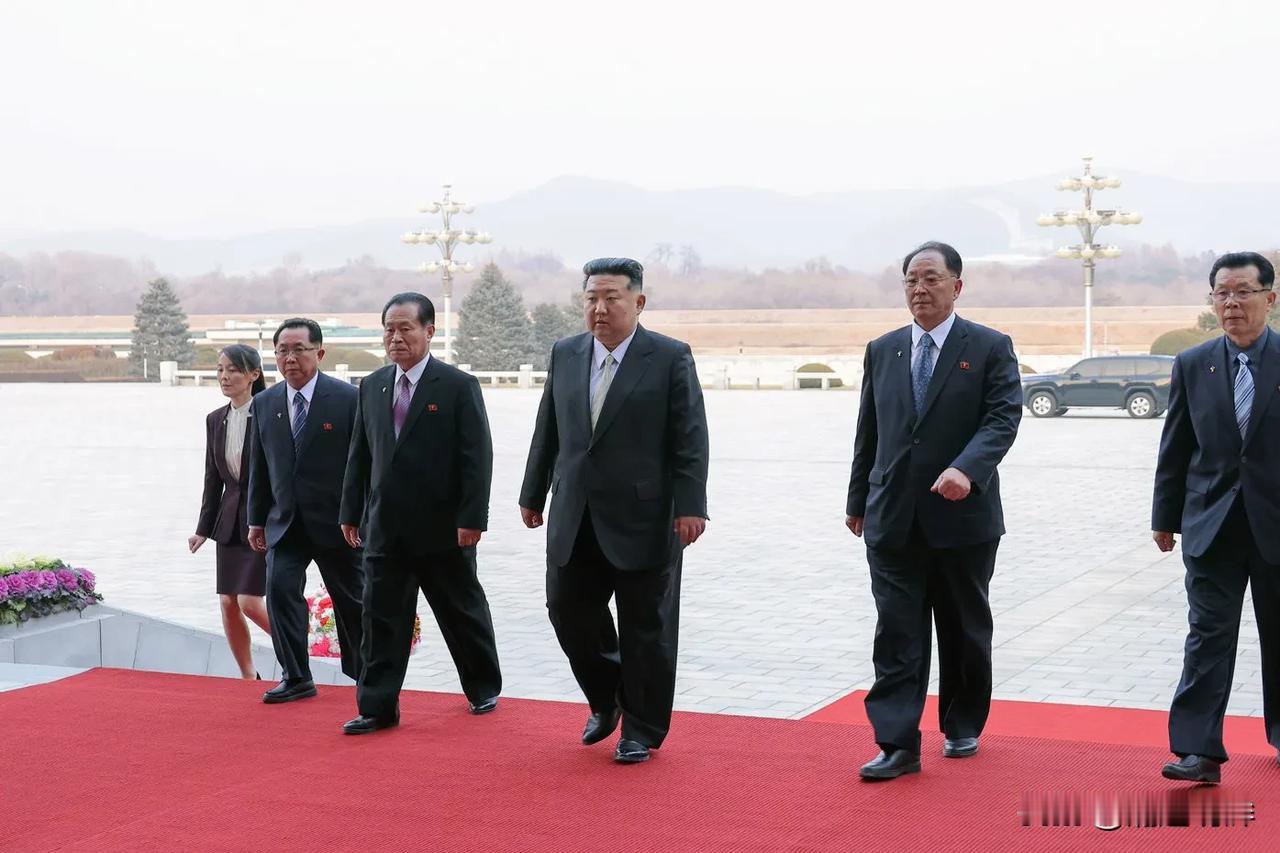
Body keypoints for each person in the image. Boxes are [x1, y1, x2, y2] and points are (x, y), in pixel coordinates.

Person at [519, 257, 710, 764]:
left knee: (646, 625)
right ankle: (607, 699)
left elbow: (689, 438)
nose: (599, 309)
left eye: (612, 298)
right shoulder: (566, 352)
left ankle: (641, 731)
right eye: (591, 299)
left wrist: (692, 507)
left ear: (638, 302)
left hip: (645, 517)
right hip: (574, 511)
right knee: (566, 609)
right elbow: (549, 429)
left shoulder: (669, 357)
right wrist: (532, 493)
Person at [845, 241, 1022, 780]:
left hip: (963, 518)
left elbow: (1003, 417)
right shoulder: (884, 348)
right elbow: (869, 431)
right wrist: (858, 500)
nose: (920, 290)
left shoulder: (989, 346)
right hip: (892, 514)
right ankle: (896, 743)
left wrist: (967, 469)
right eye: (911, 281)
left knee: (963, 627)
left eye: (931, 280)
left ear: (957, 286)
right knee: (896, 632)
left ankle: (963, 722)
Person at [339, 292, 502, 734]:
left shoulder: (457, 386)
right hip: (384, 529)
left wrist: (473, 518)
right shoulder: (371, 386)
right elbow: (360, 454)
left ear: (429, 331)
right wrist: (350, 511)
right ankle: (377, 707)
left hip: (444, 529)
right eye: (389, 329)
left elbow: (477, 457)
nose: (396, 337)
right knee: (379, 617)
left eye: (405, 328)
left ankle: (483, 686)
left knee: (460, 610)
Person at [1153, 251, 1280, 784]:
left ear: (1269, 298)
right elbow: (1176, 444)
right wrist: (1164, 516)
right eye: (1221, 293)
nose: (1231, 303)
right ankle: (1198, 752)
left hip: (1276, 522)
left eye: (1243, 291)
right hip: (1212, 523)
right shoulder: (1192, 364)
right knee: (1207, 636)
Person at [247, 318, 364, 703]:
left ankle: (365, 675)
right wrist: (256, 519)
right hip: (285, 523)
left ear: (320, 352)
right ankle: (296, 676)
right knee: (280, 592)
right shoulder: (265, 403)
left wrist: (360, 515)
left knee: (352, 602)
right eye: (282, 351)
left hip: (338, 523)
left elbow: (363, 463)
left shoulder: (348, 399)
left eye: (299, 349)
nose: (290, 358)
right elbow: (259, 467)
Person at [190, 344, 272, 679]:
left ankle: (299, 656)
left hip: (263, 522)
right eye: (221, 369)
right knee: (227, 602)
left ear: (254, 374)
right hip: (228, 522)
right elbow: (213, 479)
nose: (225, 376)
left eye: (234, 370)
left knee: (249, 602)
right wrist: (202, 529)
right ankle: (248, 676)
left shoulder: (270, 411)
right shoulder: (215, 419)